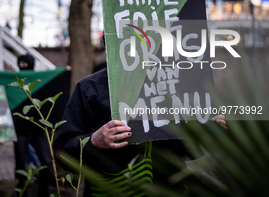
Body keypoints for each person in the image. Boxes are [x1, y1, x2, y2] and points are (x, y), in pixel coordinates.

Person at [54, 67, 227, 196]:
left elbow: (181, 150)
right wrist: (93, 141)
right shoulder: (90, 89)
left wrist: (206, 135)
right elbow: (63, 153)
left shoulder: (175, 86)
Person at [14, 54, 51, 197]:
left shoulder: (39, 81)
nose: (23, 66)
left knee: (46, 162)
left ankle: (44, 192)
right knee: (20, 164)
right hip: (20, 131)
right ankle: (21, 192)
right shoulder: (15, 81)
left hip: (38, 130)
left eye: (26, 63)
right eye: (20, 64)